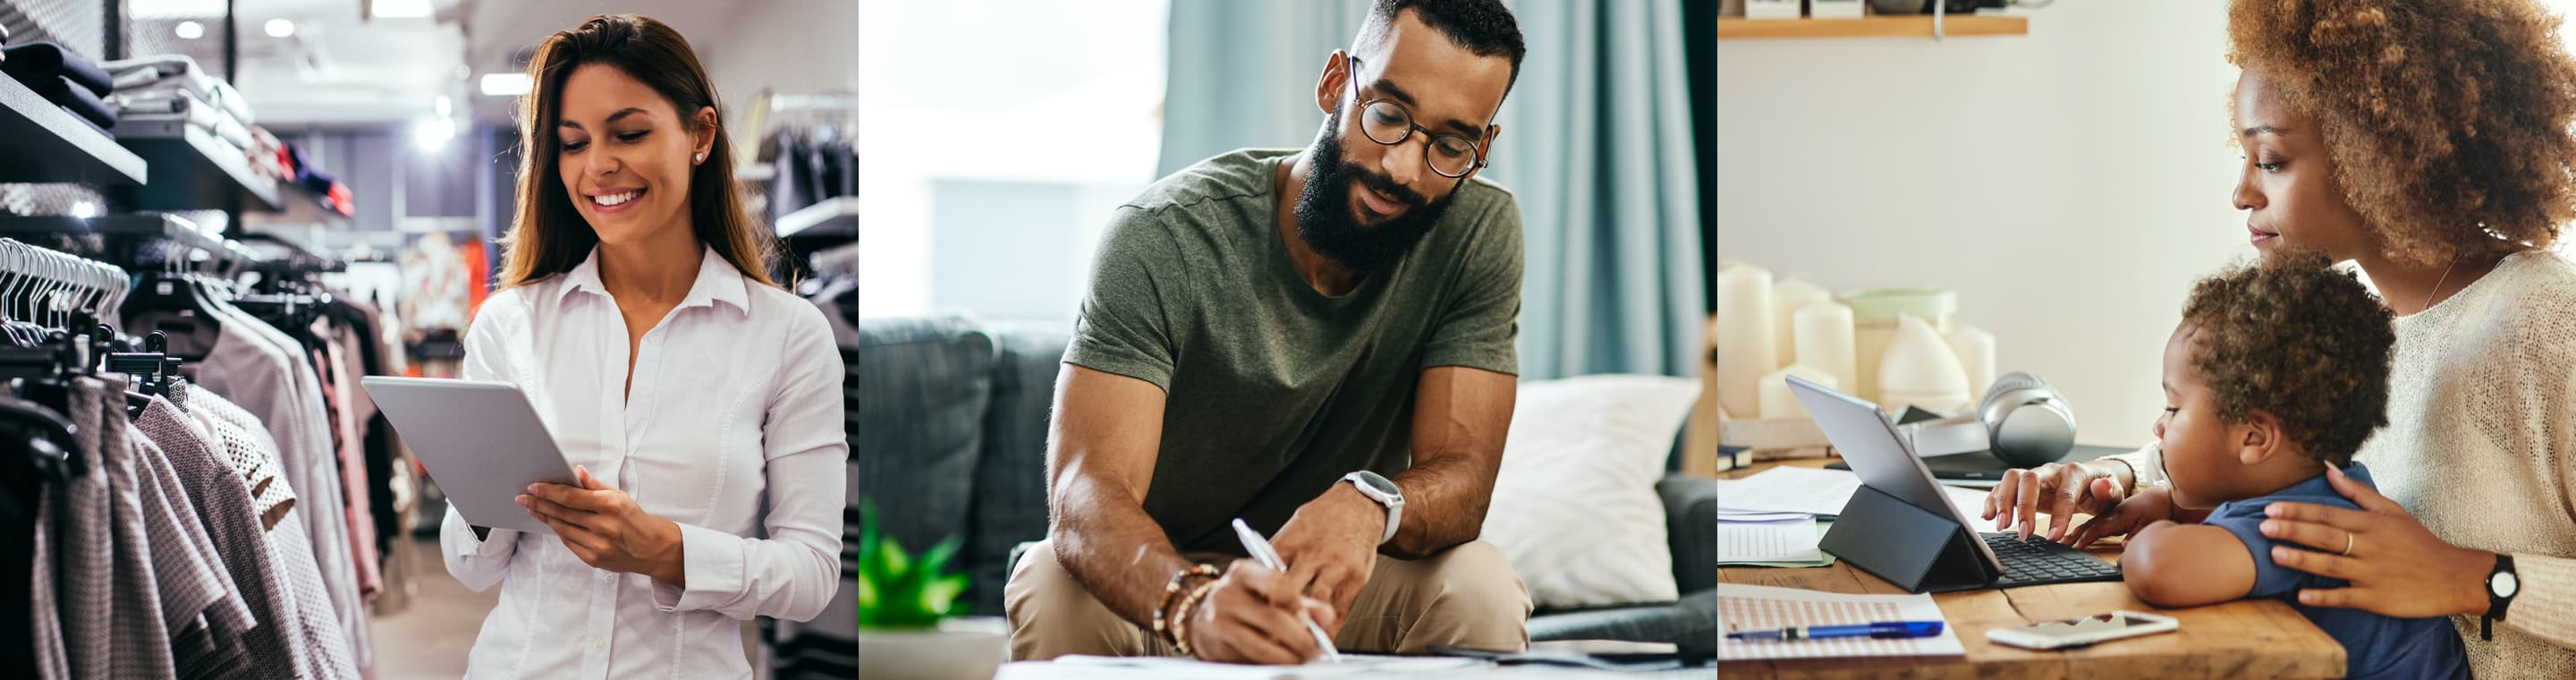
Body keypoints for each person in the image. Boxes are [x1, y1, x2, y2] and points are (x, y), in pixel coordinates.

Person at [1981, 0, 2576, 674]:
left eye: (2270, 160)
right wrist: (2112, 477)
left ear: (2381, 154)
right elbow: (2264, 447)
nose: (2241, 193)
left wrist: (2479, 579)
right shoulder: (2358, 325)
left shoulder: (2550, 328)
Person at [1002, 0, 1533, 665]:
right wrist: (1191, 605)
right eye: (1388, 115)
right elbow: (1086, 494)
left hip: (1334, 581)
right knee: (1053, 582)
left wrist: (1371, 504)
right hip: (1163, 577)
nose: (1402, 169)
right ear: (1336, 83)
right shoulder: (1161, 236)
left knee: (1477, 583)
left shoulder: (1478, 234)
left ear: (1480, 149)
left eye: (1450, 145)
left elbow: (1464, 479)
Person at [437, 14, 847, 678]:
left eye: (629, 133)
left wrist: (669, 551)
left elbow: (812, 574)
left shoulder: (788, 335)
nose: (599, 166)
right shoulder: (510, 324)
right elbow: (469, 567)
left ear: (700, 135)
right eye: (573, 144)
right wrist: (492, 498)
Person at [2118, 255, 2465, 679]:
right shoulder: (2339, 490)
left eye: (2174, 407)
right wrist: (2171, 508)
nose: (2160, 425)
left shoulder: (2300, 525)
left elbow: (2160, 568)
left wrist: (2148, 540)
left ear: (2254, 438)